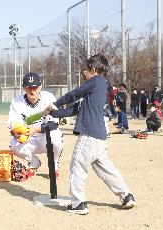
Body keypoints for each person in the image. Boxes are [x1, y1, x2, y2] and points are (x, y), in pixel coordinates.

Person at [44, 54, 135, 215]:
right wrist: (53, 114)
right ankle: (126, 195)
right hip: (100, 137)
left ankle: (78, 203)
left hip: (89, 134)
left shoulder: (95, 81)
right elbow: (75, 109)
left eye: (85, 71)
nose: (83, 74)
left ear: (93, 70)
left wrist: (54, 104)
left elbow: (73, 94)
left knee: (77, 166)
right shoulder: (100, 87)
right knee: (105, 168)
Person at [8, 72, 64, 178]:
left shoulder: (48, 97)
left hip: (45, 137)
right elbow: (13, 126)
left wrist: (36, 129)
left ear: (40, 86)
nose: (32, 91)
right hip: (29, 139)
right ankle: (34, 163)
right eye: (29, 88)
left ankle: (54, 165)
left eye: (35, 87)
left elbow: (54, 125)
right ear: (23, 88)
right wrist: (17, 134)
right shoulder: (16, 102)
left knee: (56, 138)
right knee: (14, 145)